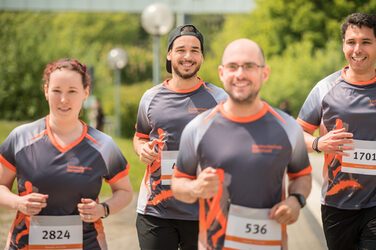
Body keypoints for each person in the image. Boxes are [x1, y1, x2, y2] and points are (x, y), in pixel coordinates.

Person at [171, 38, 312, 250]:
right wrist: (195, 188)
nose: (240, 74)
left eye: (249, 66)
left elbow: (302, 176)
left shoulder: (288, 127)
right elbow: (178, 184)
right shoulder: (197, 128)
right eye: (232, 67)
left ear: (264, 73)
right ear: (221, 73)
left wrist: (296, 200)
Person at [0, 59, 133, 249]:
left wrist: (102, 209)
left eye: (72, 91)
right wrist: (18, 202)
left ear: (85, 93)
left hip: (87, 244)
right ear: (46, 91)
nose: (63, 99)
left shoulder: (104, 145)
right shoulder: (20, 137)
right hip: (26, 244)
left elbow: (125, 191)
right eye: (56, 91)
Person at [133, 24, 227, 250]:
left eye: (195, 50)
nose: (188, 56)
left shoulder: (219, 99)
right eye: (181, 50)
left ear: (202, 56)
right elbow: (140, 137)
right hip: (155, 211)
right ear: (169, 54)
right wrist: (142, 149)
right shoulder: (150, 97)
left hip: (203, 211)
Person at [297, 13, 376, 250]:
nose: (357, 49)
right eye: (351, 42)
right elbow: (295, 132)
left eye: (366, 42)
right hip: (337, 203)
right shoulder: (325, 88)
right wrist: (318, 143)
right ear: (343, 45)